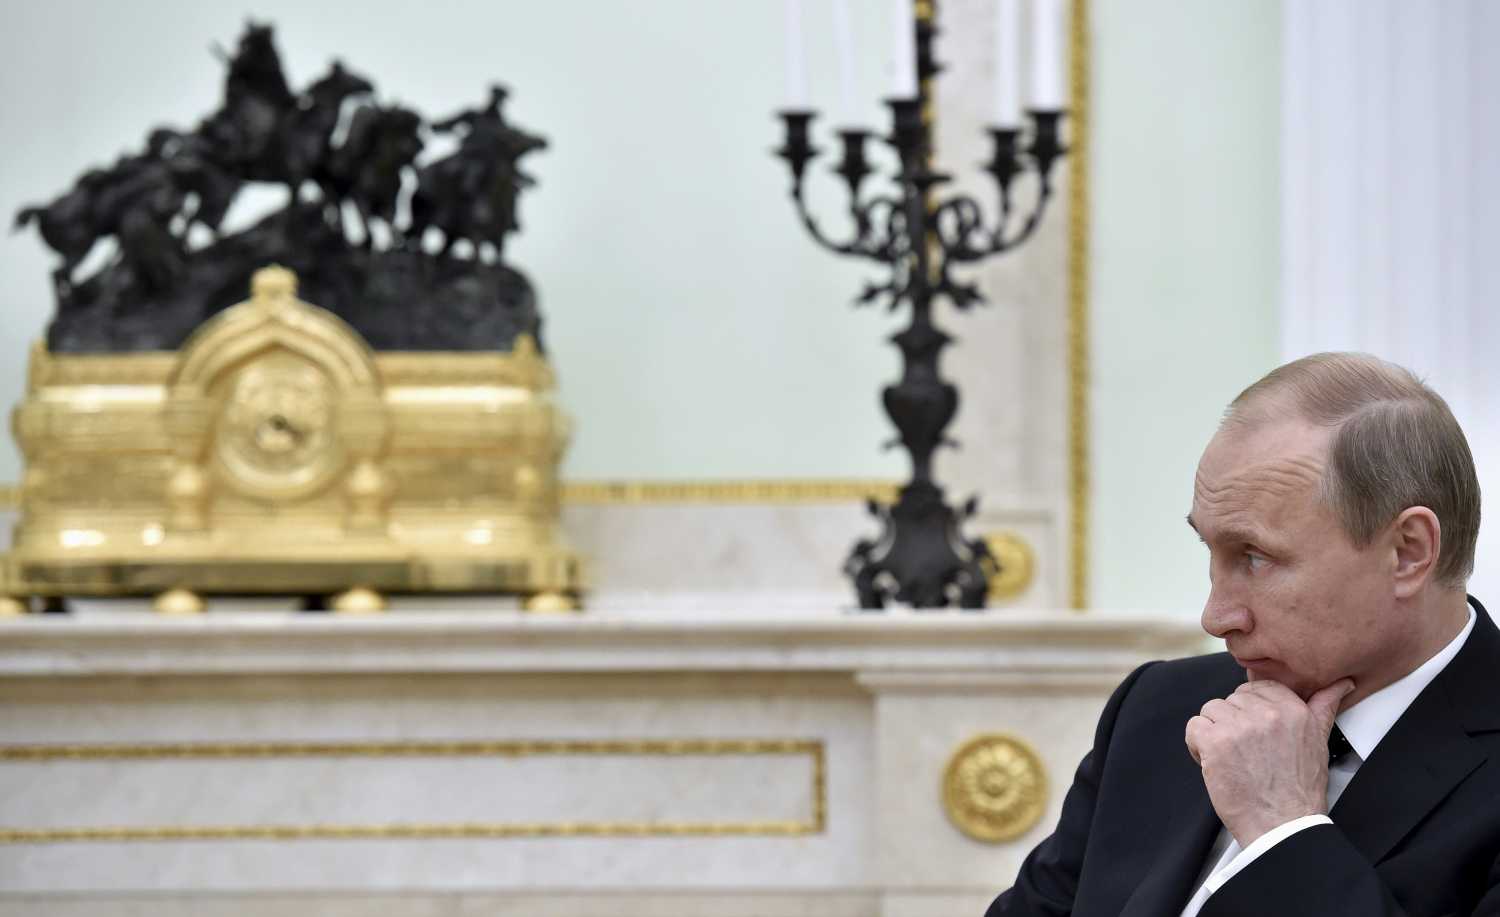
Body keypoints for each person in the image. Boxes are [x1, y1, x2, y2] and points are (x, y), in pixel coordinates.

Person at [988, 352, 1498, 916]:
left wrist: (1282, 828)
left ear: (1408, 552)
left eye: (1254, 557)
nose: (1216, 616)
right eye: (1211, 551)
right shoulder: (1158, 708)